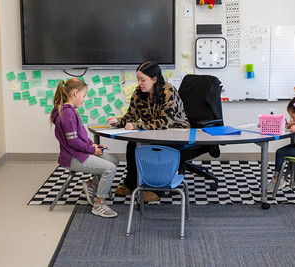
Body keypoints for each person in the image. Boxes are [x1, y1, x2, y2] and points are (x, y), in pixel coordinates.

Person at [107, 61, 190, 202]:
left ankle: (159, 189)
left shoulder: (168, 91)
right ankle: (132, 182)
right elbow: (131, 117)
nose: (139, 83)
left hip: (175, 132)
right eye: (138, 79)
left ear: (154, 79)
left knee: (159, 148)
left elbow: (164, 123)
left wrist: (137, 126)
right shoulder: (139, 93)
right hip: (152, 131)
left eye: (143, 79)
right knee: (132, 144)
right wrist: (119, 121)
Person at [50, 78, 120, 218]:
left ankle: (92, 184)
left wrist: (91, 145)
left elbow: (79, 136)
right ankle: (99, 204)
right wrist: (92, 150)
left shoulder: (68, 110)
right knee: (110, 168)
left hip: (79, 152)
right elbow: (73, 141)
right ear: (75, 93)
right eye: (83, 96)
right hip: (74, 157)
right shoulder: (68, 113)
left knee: (114, 161)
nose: (83, 100)